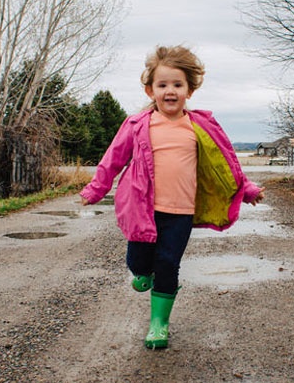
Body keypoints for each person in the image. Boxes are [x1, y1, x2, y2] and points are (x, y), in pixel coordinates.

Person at [79, 45, 265, 349]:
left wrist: (246, 189)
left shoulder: (200, 126)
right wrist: (94, 190)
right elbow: (112, 159)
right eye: (162, 85)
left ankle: (158, 323)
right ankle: (142, 274)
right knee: (138, 262)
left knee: (168, 263)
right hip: (142, 209)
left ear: (189, 90)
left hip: (180, 212)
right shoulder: (137, 125)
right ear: (150, 89)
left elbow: (225, 163)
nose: (170, 91)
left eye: (177, 85)